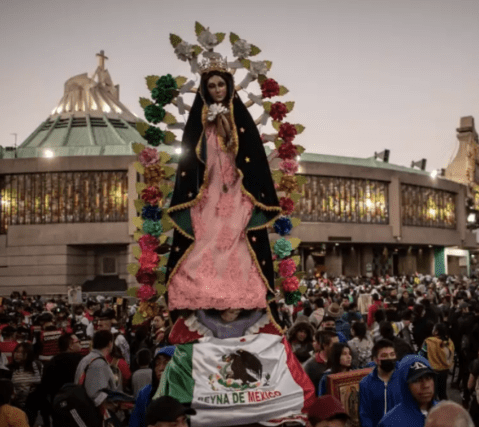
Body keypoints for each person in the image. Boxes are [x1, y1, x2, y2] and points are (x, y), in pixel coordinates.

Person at [165, 55, 281, 317]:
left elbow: (250, 156)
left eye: (221, 84)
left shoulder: (241, 119)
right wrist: (209, 127)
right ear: (206, 90)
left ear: (228, 85)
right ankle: (202, 296)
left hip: (236, 188)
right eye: (212, 86)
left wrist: (228, 129)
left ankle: (239, 299)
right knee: (205, 241)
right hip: (208, 191)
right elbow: (192, 160)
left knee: (236, 241)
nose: (217, 90)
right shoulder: (199, 122)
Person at [377, 355, 437, 427]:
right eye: (416, 380)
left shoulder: (446, 413)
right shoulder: (390, 423)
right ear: (405, 385)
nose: (425, 385)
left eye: (428, 378)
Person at [130, 346, 175, 427]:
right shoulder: (145, 393)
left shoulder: (187, 394)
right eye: (157, 363)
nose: (161, 368)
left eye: (166, 363)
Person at [359, 340, 400, 427]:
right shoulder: (366, 383)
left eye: (392, 355)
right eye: (384, 356)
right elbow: (365, 414)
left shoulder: (403, 378)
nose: (389, 358)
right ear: (376, 360)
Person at [74, 330, 119, 408]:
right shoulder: (98, 363)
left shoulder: (87, 359)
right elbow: (96, 396)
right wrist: (114, 406)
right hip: (92, 413)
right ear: (110, 343)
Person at [7, 342, 43, 422]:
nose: (17, 354)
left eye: (21, 352)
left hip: (33, 406)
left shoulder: (37, 366)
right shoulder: (11, 369)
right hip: (16, 406)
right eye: (17, 351)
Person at [421, 323, 454, 400]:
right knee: (442, 392)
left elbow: (422, 354)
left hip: (433, 370)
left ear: (436, 332)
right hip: (445, 370)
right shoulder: (449, 342)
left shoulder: (428, 341)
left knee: (433, 392)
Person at [304, 330, 339, 395]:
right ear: (325, 345)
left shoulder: (339, 360)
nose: (338, 347)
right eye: (334, 345)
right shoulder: (310, 365)